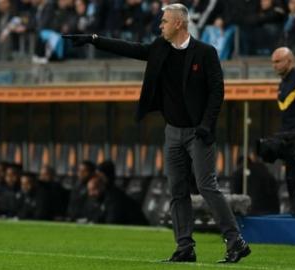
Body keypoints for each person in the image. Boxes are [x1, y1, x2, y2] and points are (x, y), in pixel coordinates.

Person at [63, 3, 250, 263]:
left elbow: (217, 91)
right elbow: (131, 49)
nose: (159, 25)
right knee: (177, 190)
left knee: (207, 187)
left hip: (198, 132)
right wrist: (94, 40)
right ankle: (184, 247)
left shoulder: (206, 53)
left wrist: (207, 125)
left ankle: (236, 241)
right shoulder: (160, 48)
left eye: (164, 21)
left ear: (178, 24)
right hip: (172, 131)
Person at [271, 47, 295, 215]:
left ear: (289, 61)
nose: (274, 65)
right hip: (289, 139)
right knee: (291, 179)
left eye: (278, 61)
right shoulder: (282, 84)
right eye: (273, 62)